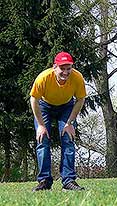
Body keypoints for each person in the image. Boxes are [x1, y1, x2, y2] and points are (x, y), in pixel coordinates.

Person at [30, 51, 87, 191]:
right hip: (44, 106)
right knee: (42, 140)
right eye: (62, 68)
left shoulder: (77, 77)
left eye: (69, 68)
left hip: (66, 107)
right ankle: (44, 181)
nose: (66, 72)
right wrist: (41, 126)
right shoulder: (43, 78)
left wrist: (69, 123)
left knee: (68, 139)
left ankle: (68, 181)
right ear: (54, 67)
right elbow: (34, 100)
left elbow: (80, 99)